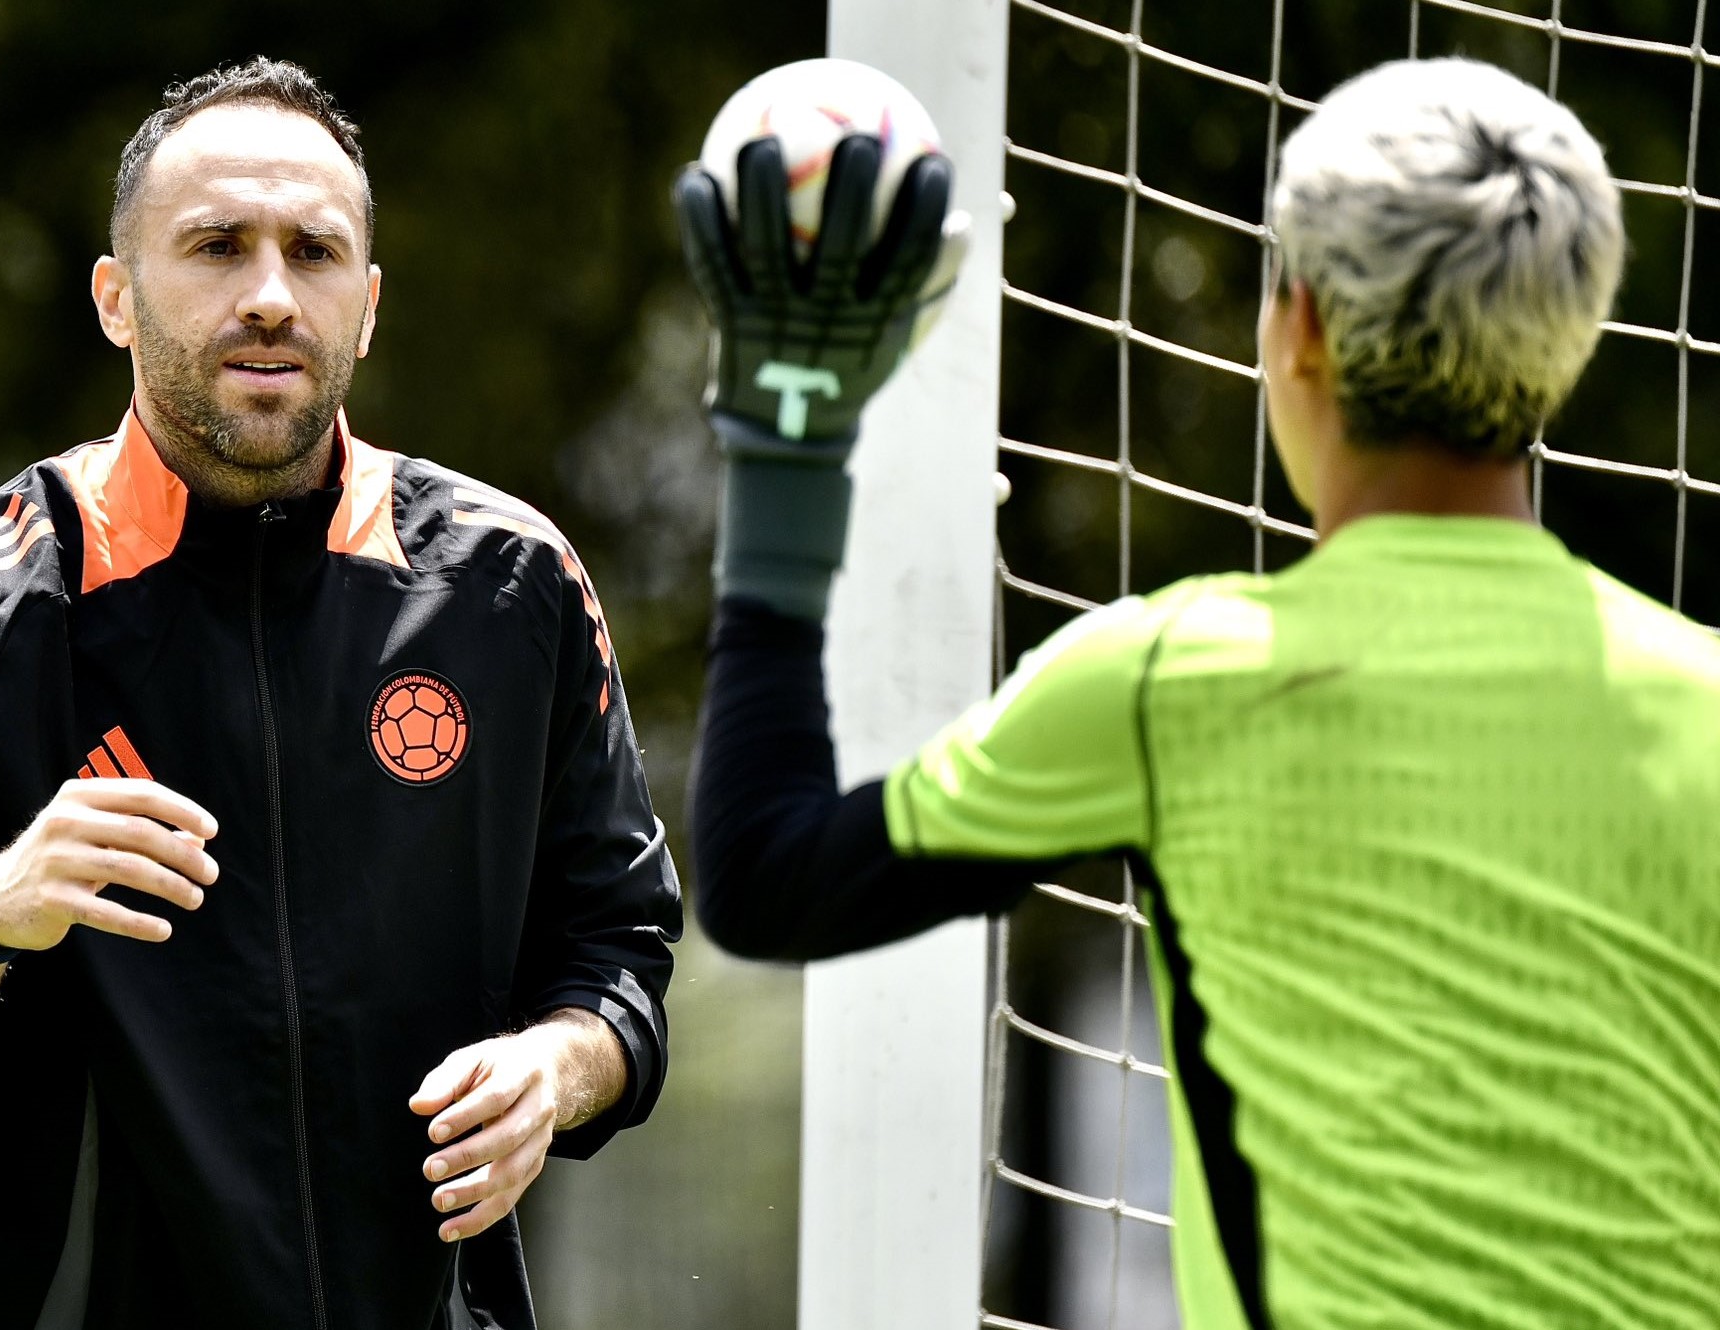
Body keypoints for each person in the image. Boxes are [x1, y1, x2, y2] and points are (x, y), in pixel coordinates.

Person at [679, 57, 1720, 1327]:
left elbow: (761, 870)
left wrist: (785, 445)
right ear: (1569, 342)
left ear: (1302, 329)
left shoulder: (1174, 681)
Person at [0, 56, 679, 1330]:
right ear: (114, 296)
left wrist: (556, 1065)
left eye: (312, 254)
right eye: (215, 245)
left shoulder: (510, 586)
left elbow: (620, 956)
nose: (270, 295)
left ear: (365, 307)